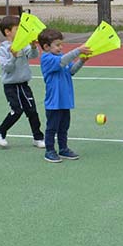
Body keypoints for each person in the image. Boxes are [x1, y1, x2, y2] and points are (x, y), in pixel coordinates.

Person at [37, 28, 92, 163]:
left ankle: (63, 148)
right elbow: (62, 62)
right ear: (46, 47)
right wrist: (78, 50)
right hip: (54, 102)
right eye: (57, 45)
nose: (61, 47)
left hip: (64, 100)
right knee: (52, 127)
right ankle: (49, 150)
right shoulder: (47, 58)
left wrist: (82, 61)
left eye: (61, 44)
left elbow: (71, 71)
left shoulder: (61, 58)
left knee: (64, 127)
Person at [0, 15, 45, 149]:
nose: (21, 32)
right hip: (10, 86)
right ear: (7, 32)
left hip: (23, 84)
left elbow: (33, 56)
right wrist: (13, 57)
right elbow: (7, 68)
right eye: (18, 29)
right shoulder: (3, 48)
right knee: (17, 111)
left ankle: (38, 138)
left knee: (32, 111)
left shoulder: (24, 44)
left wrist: (33, 47)